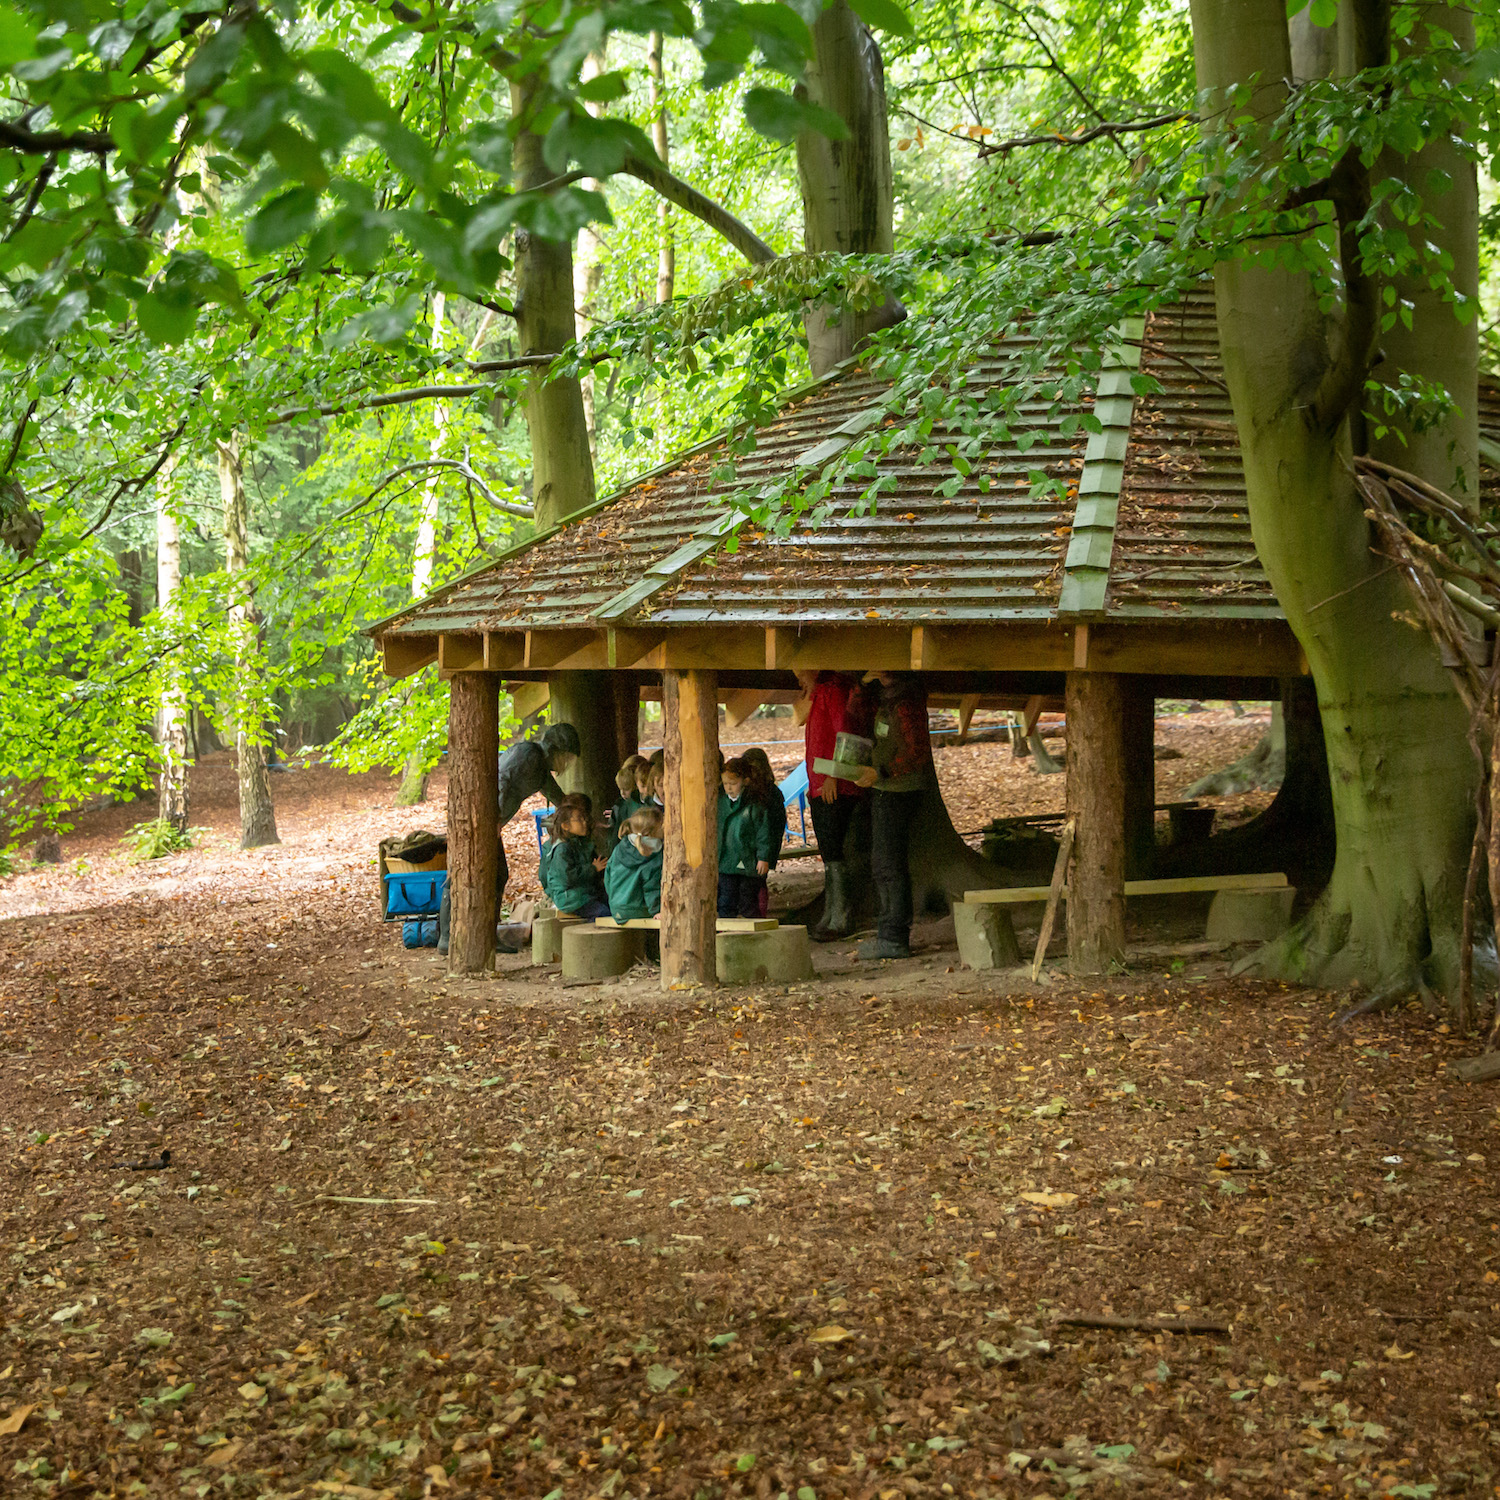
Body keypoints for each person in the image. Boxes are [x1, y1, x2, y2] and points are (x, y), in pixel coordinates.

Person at [438, 720, 580, 956]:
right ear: (557, 750)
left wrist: (575, 808)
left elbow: (555, 794)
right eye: (566, 757)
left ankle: (480, 935)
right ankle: (449, 936)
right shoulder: (529, 757)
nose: (566, 763)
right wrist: (493, 818)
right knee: (467, 874)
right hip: (482, 820)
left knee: (492, 875)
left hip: (486, 821)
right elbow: (501, 780)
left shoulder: (537, 763)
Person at [851, 672, 934, 960]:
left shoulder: (906, 702)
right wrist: (864, 682)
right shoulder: (884, 698)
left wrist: (882, 772)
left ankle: (894, 937)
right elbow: (854, 710)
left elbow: (916, 752)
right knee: (882, 864)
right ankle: (888, 934)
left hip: (899, 790)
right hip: (884, 788)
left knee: (889, 865)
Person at [798, 671, 875, 941]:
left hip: (836, 787)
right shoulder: (819, 695)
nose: (799, 680)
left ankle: (841, 917)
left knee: (835, 850)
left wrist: (834, 775)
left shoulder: (833, 692)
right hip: (820, 785)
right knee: (830, 852)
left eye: (800, 673)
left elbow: (847, 733)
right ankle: (831, 913)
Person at [717, 756, 771, 918]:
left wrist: (763, 857)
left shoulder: (755, 805)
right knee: (726, 901)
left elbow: (763, 833)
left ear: (745, 781)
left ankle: (754, 930)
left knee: (748, 901)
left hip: (748, 861)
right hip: (726, 862)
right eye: (725, 784)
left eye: (733, 783)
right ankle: (726, 930)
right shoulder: (720, 803)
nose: (729, 788)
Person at [540, 798, 610, 919]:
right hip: (571, 899)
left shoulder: (578, 843)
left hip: (584, 893)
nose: (584, 822)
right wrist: (593, 869)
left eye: (584, 819)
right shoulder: (562, 849)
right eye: (579, 820)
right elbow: (568, 877)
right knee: (603, 913)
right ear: (566, 826)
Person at [741, 746, 785, 918]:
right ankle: (757, 914)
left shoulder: (766, 793)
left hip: (760, 848)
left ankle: (757, 915)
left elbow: (775, 825)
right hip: (760, 848)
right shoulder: (771, 792)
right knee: (756, 882)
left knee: (755, 883)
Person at [605, 806, 665, 921]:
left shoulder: (619, 848)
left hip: (616, 908)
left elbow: (608, 877)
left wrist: (614, 900)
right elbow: (651, 888)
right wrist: (657, 911)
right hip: (638, 911)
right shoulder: (654, 855)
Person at [610, 755, 648, 838]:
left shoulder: (642, 803)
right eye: (620, 789)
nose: (622, 793)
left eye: (626, 789)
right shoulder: (620, 806)